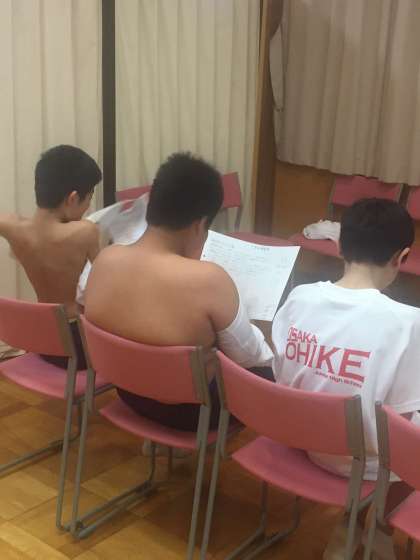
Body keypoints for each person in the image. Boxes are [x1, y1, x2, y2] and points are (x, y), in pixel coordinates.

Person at [272, 198, 420, 559]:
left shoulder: (299, 297)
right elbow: (403, 425)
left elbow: (280, 374)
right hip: (368, 464)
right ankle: (377, 526)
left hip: (303, 440)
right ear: (401, 257)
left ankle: (354, 523)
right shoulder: (408, 324)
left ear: (339, 246)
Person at [85, 152, 273, 433]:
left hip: (129, 394)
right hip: (193, 413)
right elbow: (249, 358)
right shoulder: (208, 280)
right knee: (266, 371)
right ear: (199, 224)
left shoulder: (105, 259)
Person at [0, 145, 102, 368]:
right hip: (78, 347)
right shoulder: (85, 231)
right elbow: (107, 282)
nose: (89, 206)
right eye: (89, 197)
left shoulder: (12, 227)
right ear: (73, 198)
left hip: (43, 340)